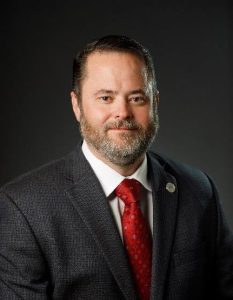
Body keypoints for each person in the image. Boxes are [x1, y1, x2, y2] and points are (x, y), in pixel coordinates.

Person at [0, 35, 232, 300]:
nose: (122, 112)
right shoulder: (23, 209)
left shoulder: (199, 190)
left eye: (136, 98)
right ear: (77, 105)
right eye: (106, 98)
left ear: (155, 103)